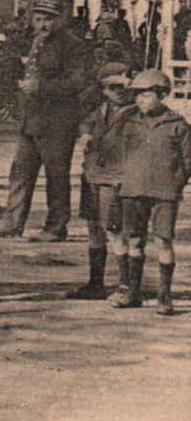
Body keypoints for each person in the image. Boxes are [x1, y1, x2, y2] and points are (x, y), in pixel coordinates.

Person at [0, 0, 91, 242]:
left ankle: (55, 228)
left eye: (48, 18)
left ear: (60, 19)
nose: (43, 24)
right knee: (20, 173)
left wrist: (41, 87)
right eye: (38, 19)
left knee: (56, 176)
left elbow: (78, 82)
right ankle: (12, 224)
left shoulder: (71, 45)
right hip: (32, 120)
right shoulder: (36, 41)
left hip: (57, 122)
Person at [110, 69, 190, 314]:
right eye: (137, 96)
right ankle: (133, 292)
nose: (139, 101)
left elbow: (188, 161)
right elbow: (120, 155)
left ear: (161, 96)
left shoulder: (178, 126)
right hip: (133, 191)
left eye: (145, 96)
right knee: (134, 239)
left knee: (163, 240)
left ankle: (164, 297)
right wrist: (123, 181)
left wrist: (175, 184)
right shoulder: (130, 124)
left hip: (164, 193)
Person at [68, 63, 132, 300]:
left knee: (115, 230)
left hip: (115, 179)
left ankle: (126, 284)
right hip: (93, 175)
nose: (120, 91)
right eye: (114, 87)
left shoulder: (134, 113)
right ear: (104, 89)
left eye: (124, 87)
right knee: (93, 227)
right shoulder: (101, 110)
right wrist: (84, 133)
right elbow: (85, 121)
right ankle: (96, 283)